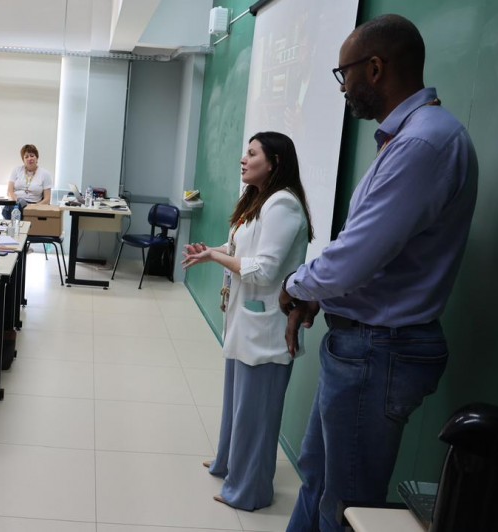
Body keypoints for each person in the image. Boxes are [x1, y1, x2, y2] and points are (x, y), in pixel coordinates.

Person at [280, 15, 478, 532]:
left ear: (374, 68)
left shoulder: (423, 144)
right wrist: (317, 292)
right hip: (364, 346)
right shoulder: (409, 138)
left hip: (378, 351)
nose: (342, 88)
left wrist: (296, 285)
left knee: (344, 508)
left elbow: (355, 257)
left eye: (343, 74)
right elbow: (363, 253)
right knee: (319, 482)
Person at [182, 132, 313, 511]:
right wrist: (212, 252)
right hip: (246, 321)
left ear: (273, 162)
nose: (243, 159)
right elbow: (241, 250)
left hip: (269, 329)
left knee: (257, 414)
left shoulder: (284, 205)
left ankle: (250, 490)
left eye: (252, 153)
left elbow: (265, 271)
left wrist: (220, 259)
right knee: (238, 403)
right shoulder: (258, 200)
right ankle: (228, 463)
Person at [5, 143, 52, 219]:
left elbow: (47, 199)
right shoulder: (16, 170)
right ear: (23, 160)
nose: (29, 158)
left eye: (32, 156)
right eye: (26, 157)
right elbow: (10, 191)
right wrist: (17, 201)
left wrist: (34, 207)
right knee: (10, 209)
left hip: (34, 205)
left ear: (37, 158)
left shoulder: (45, 174)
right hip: (16, 203)